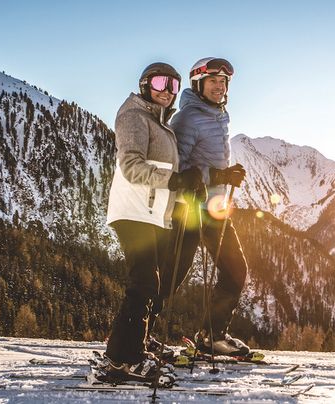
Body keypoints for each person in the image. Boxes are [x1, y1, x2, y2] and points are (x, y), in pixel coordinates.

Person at [102, 62, 204, 381]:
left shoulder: (161, 123)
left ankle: (131, 345)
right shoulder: (134, 115)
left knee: (151, 283)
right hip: (133, 211)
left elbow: (166, 173)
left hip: (153, 213)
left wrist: (188, 188)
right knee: (143, 283)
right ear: (146, 84)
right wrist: (174, 180)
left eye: (173, 86)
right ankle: (125, 358)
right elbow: (132, 166)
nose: (166, 91)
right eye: (161, 83)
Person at [166, 57, 251, 356]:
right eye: (213, 81)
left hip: (214, 207)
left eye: (223, 82)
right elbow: (179, 168)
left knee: (235, 269)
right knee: (172, 274)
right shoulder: (187, 118)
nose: (219, 86)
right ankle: (137, 337)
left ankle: (212, 336)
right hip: (188, 207)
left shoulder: (218, 115)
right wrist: (218, 175)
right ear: (199, 84)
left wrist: (226, 175)